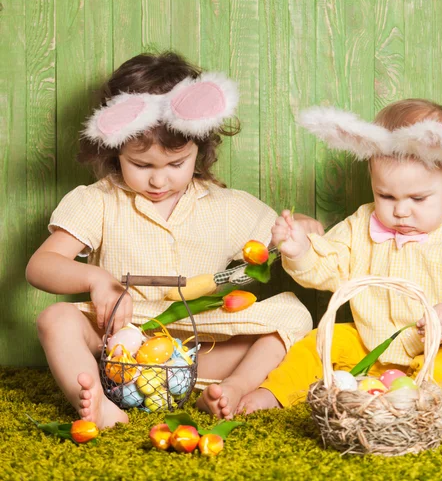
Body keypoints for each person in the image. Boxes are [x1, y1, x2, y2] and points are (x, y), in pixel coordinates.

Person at [26, 52, 318, 428]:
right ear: (115, 148)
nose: (159, 182)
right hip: (118, 347)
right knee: (55, 318)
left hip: (203, 345)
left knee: (294, 315)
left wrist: (305, 228)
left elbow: (281, 239)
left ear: (200, 147)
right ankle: (99, 402)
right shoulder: (96, 201)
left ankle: (232, 388)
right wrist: (96, 280)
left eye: (176, 165)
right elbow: (41, 266)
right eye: (142, 165)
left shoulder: (226, 206)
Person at [239, 99, 442, 412]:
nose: (400, 210)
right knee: (317, 343)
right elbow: (331, 264)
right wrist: (302, 250)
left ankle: (407, 404)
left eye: (418, 198)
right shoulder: (362, 223)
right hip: (371, 346)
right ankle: (274, 394)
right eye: (386, 195)